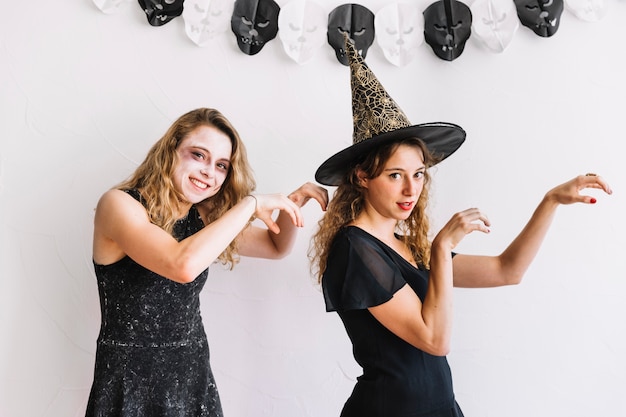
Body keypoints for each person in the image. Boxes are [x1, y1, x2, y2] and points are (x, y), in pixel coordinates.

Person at [309, 35, 613, 417]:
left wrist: (549, 201)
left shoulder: (406, 246)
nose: (411, 189)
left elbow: (508, 270)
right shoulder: (356, 249)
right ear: (363, 177)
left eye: (419, 174)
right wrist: (440, 248)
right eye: (395, 175)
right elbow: (435, 340)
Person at [85, 107, 328, 416]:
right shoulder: (119, 205)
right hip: (129, 383)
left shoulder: (203, 219)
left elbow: (275, 245)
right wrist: (250, 205)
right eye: (198, 155)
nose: (209, 172)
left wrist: (291, 206)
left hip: (192, 377)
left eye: (222, 165)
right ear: (170, 151)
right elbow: (181, 265)